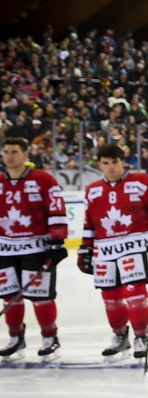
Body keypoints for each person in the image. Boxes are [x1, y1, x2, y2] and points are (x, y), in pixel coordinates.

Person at [77, 143, 148, 360]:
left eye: (114, 162)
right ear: (99, 164)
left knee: (134, 293)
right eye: (105, 163)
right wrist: (85, 249)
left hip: (135, 245)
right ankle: (120, 336)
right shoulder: (92, 190)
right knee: (110, 296)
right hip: (104, 249)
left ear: (123, 162)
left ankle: (141, 336)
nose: (110, 167)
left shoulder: (142, 183)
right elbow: (89, 223)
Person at [0, 137, 68, 361]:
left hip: (36, 247)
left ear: (26, 154)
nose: (10, 156)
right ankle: (15, 338)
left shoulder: (43, 179)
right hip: (4, 249)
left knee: (40, 297)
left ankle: (50, 337)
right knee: (10, 297)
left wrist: (57, 241)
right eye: (6, 151)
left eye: (15, 151)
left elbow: (57, 209)